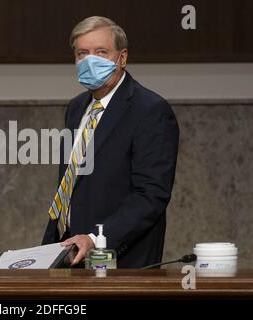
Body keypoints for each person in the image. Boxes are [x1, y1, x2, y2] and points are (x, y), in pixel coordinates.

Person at [42, 16, 180, 268]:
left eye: (101, 52)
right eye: (82, 53)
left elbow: (151, 195)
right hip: (68, 254)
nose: (90, 60)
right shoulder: (76, 108)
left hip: (121, 261)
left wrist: (95, 239)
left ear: (122, 57)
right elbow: (70, 184)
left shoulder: (150, 110)